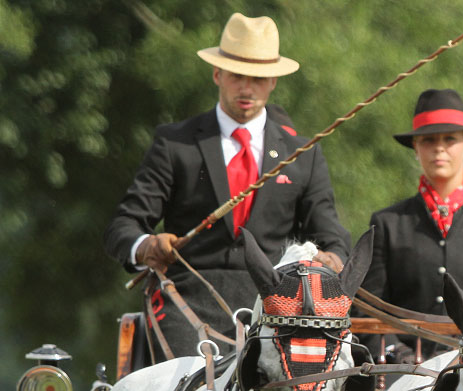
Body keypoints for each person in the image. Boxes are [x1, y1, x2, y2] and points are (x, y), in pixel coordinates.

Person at [104, 13, 350, 358]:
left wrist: (333, 260)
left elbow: (331, 235)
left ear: (273, 82)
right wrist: (145, 246)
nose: (247, 88)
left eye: (258, 79)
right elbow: (123, 227)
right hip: (188, 298)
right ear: (217, 74)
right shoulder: (175, 143)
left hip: (276, 306)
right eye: (237, 76)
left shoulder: (303, 155)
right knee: (194, 390)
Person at [361, 88, 463, 361]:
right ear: (416, 148)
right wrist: (396, 352)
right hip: (400, 374)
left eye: (450, 139)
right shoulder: (387, 224)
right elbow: (367, 309)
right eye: (428, 140)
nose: (439, 147)